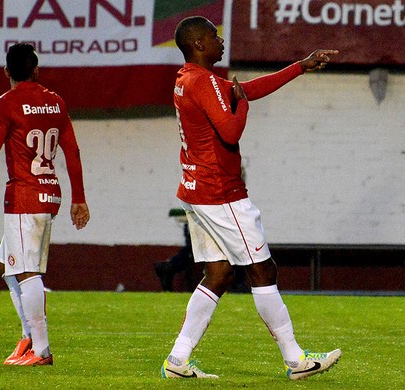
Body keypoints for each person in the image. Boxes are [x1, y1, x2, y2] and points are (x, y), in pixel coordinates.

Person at [160, 16, 341, 380]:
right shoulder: (203, 81)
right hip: (220, 193)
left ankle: (177, 360)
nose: (220, 40)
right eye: (214, 36)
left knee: (220, 273)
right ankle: (296, 360)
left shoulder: (188, 79)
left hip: (196, 190)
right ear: (197, 44)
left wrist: (299, 67)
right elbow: (230, 129)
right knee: (262, 269)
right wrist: (242, 106)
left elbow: (246, 89)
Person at [0, 43, 90, 366]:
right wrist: (79, 198)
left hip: (24, 196)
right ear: (36, 70)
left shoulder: (7, 103)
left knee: (28, 272)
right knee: (7, 264)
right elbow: (72, 151)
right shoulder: (55, 101)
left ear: (6, 72)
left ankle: (41, 349)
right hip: (50, 194)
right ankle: (29, 337)